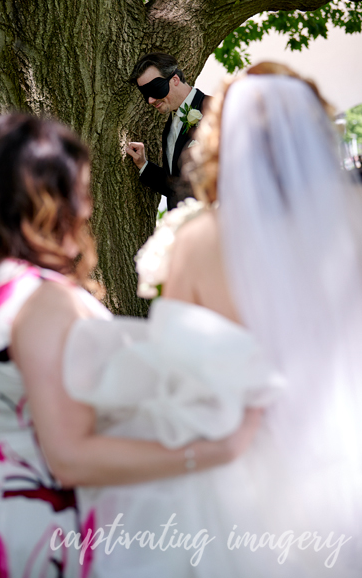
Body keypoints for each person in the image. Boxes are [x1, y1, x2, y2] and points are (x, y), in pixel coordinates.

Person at [0, 114, 260, 578]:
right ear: (48, 198)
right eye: (78, 187)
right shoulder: (42, 299)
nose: (84, 204)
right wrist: (214, 452)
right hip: (30, 526)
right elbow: (69, 456)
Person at [64, 63, 362, 576]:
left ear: (222, 142)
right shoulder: (351, 223)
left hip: (242, 466)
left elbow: (174, 361)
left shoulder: (201, 241)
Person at [126, 52, 211, 210]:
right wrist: (143, 164)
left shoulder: (214, 111)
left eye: (155, 89)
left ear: (175, 80)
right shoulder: (169, 128)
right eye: (145, 94)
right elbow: (175, 187)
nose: (150, 100)